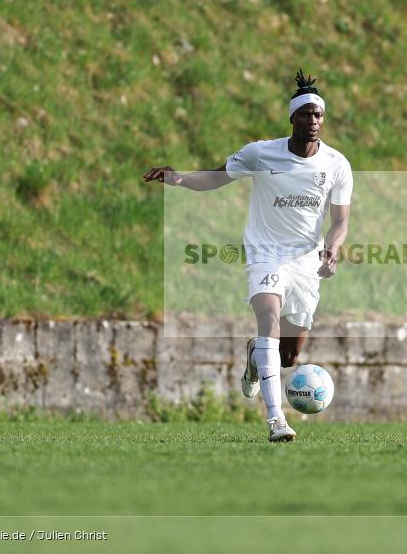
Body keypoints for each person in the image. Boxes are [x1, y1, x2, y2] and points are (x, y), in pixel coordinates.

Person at [143, 70, 352, 442]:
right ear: (292, 118)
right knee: (268, 317)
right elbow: (217, 177)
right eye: (305, 114)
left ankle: (256, 355)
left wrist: (332, 250)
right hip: (266, 253)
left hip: (305, 263)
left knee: (288, 357)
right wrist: (179, 178)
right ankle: (277, 421)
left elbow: (340, 221)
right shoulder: (260, 152)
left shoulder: (337, 164)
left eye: (318, 114)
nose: (313, 120)